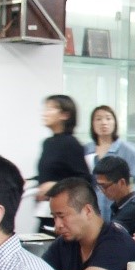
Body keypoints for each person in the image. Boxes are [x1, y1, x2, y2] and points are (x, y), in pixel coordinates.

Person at [83, 104, 135, 223]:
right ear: (92, 124)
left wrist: (130, 196)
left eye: (108, 118)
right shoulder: (87, 150)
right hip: (93, 209)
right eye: (98, 119)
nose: (103, 123)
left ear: (115, 122)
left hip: (117, 210)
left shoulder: (125, 149)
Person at [35, 95, 90, 232]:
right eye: (45, 108)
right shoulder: (48, 143)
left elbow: (84, 180)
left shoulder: (71, 144)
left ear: (65, 115)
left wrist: (56, 186)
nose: (45, 113)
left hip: (64, 216)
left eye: (51, 108)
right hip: (45, 211)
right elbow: (51, 173)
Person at [93, 156, 135, 236]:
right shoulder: (118, 205)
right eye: (99, 186)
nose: (102, 191)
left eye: (104, 186)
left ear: (122, 183)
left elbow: (110, 235)